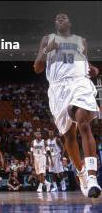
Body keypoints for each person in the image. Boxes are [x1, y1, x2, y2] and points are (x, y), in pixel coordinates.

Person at [34, 12, 101, 198]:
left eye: (64, 17)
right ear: (55, 24)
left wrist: (92, 68)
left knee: (84, 123)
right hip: (58, 89)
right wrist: (48, 50)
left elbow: (84, 63)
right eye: (57, 18)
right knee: (69, 136)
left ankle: (92, 176)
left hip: (79, 83)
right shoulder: (47, 39)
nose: (60, 19)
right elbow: (37, 67)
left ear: (70, 22)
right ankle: (80, 174)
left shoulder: (82, 41)